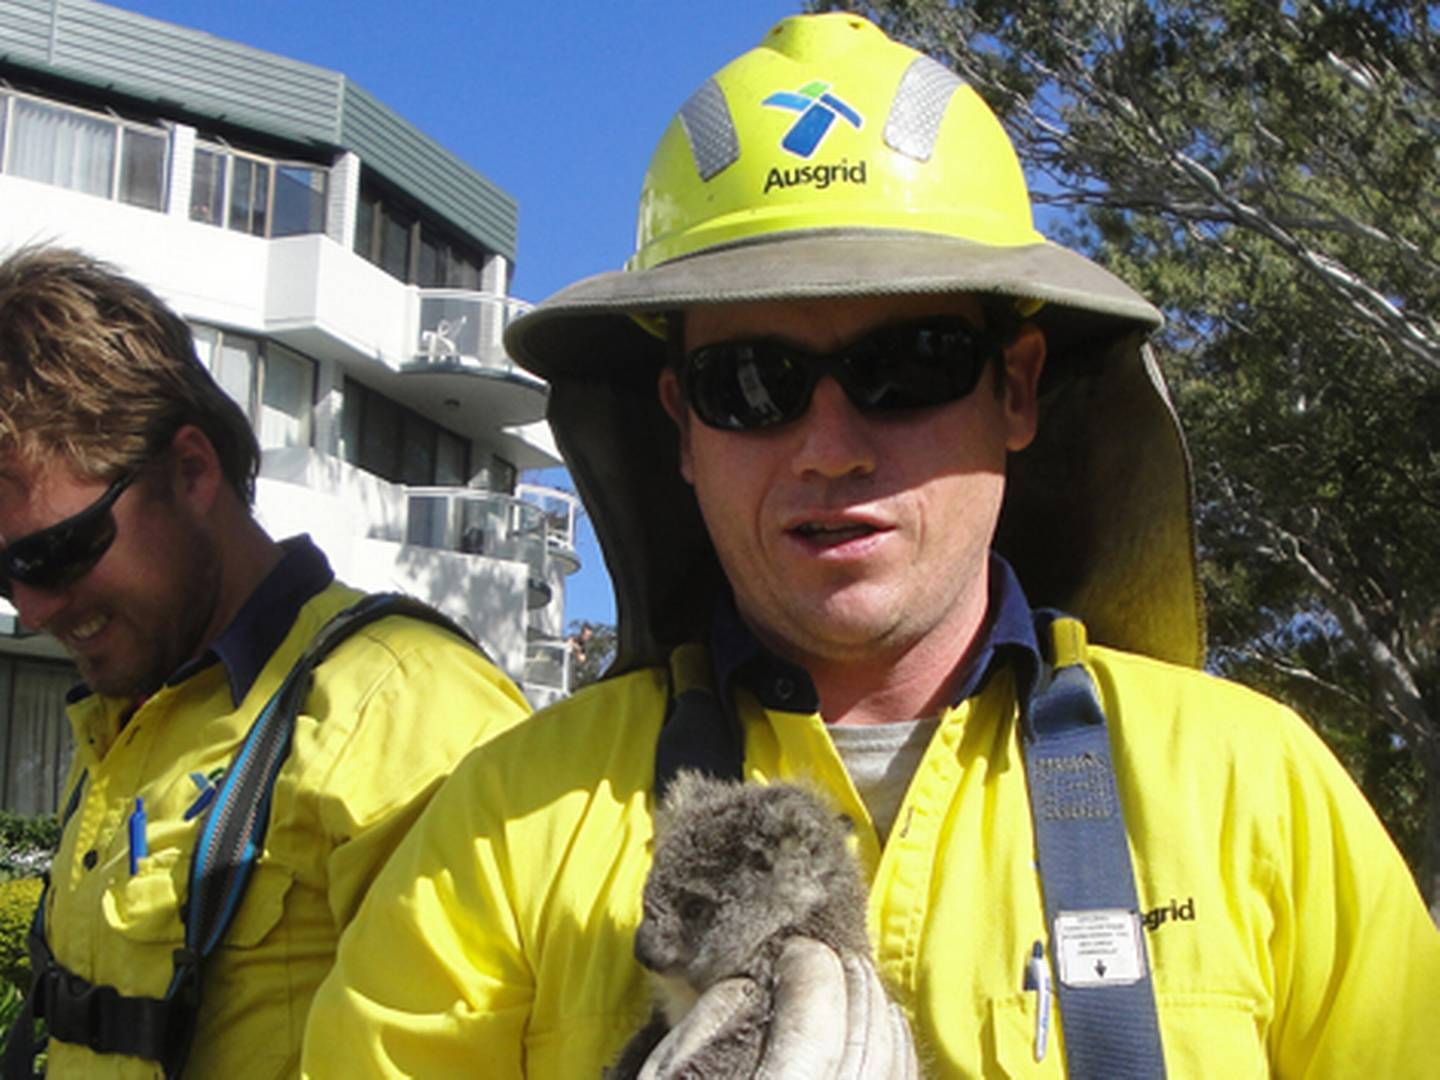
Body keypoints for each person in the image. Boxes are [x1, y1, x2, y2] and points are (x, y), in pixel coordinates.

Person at [303, 13, 1440, 1078]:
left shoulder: (1261, 792)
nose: (831, 446)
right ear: (681, 426)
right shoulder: (502, 826)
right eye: (752, 383)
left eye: (912, 364)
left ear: (1017, 387)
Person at [0, 246, 532, 1077]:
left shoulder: (403, 708)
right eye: (5, 571)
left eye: (58, 553)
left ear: (191, 470)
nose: (32, 608)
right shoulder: (130, 713)